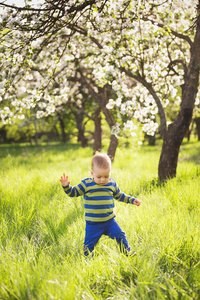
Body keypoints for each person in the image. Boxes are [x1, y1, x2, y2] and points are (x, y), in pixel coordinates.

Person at [60, 153, 141, 256]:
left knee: (120, 235)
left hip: (109, 221)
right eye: (99, 177)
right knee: (89, 245)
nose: (102, 180)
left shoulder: (111, 184)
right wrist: (66, 187)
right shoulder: (86, 184)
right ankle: (88, 259)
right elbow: (73, 193)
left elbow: (119, 195)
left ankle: (127, 253)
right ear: (91, 173)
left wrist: (132, 200)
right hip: (93, 224)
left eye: (106, 176)